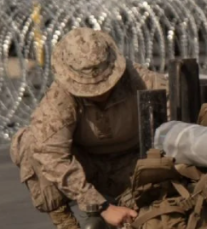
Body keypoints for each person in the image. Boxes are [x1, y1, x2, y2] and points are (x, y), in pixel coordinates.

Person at [10, 27, 169, 229]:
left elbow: (177, 124)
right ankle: (66, 223)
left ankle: (134, 207)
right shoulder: (60, 98)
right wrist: (100, 206)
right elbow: (51, 154)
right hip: (87, 170)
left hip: (134, 168)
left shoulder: (141, 81)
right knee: (31, 142)